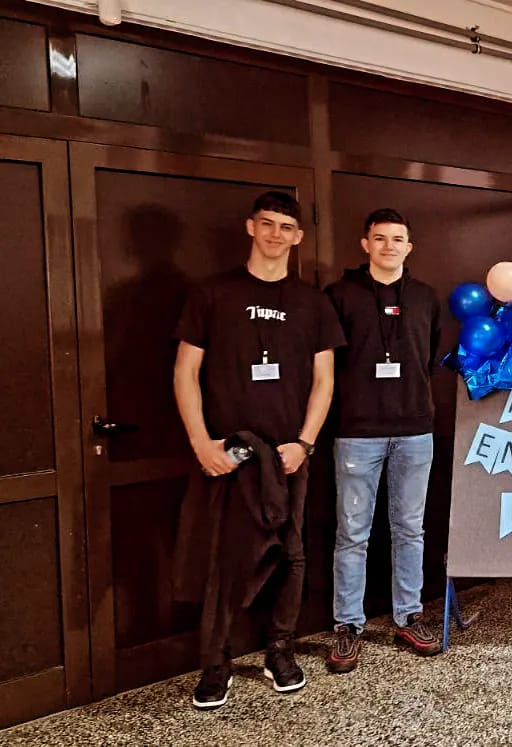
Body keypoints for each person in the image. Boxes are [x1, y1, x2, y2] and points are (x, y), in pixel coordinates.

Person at [173, 191, 346, 710]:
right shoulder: (212, 293)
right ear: (251, 227)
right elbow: (185, 372)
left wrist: (306, 443)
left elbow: (324, 380)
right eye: (267, 224)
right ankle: (216, 662)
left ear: (298, 237)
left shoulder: (314, 303)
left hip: (289, 456)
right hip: (228, 456)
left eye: (286, 227)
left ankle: (280, 649)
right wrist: (201, 443)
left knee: (291, 555)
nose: (276, 234)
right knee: (225, 559)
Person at [324, 209, 444, 673]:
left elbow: (429, 355)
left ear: (409, 247)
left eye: (397, 239)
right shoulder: (339, 296)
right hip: (357, 432)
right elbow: (329, 364)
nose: (389, 246)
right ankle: (347, 625)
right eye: (380, 238)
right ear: (365, 244)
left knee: (410, 528)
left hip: (415, 429)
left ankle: (408, 616)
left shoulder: (425, 297)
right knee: (352, 533)